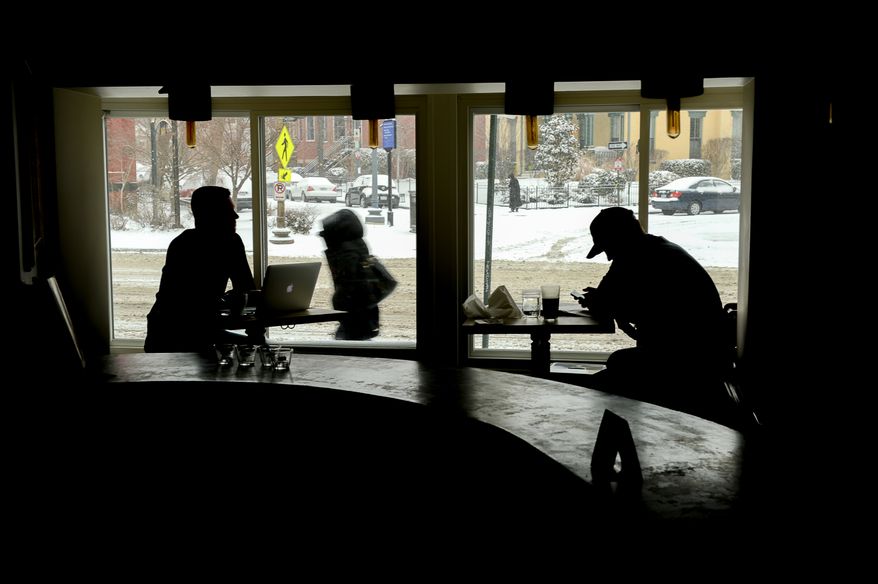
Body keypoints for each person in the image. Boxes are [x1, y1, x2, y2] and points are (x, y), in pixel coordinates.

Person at [576, 207, 731, 413]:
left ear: (619, 238)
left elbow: (610, 298)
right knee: (614, 368)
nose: (608, 257)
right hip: (705, 357)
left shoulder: (634, 257)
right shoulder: (658, 250)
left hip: (682, 363)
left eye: (607, 248)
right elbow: (638, 302)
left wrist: (603, 302)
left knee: (610, 372)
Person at [144, 186, 264, 353]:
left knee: (252, 349)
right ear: (211, 216)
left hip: (194, 329)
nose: (235, 216)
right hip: (173, 333)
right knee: (256, 349)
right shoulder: (185, 246)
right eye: (228, 212)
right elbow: (189, 305)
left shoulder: (230, 242)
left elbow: (246, 288)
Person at [319, 209, 380, 340]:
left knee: (349, 346)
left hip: (354, 311)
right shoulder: (357, 244)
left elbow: (349, 283)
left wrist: (338, 302)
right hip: (366, 308)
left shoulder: (346, 252)